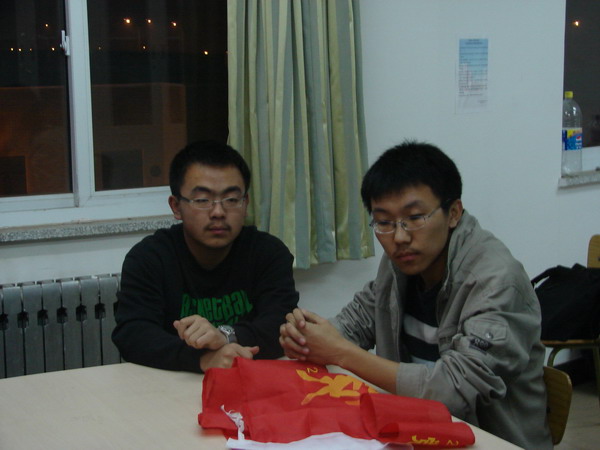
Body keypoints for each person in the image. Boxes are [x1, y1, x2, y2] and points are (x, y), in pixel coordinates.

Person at [280, 141, 552, 449]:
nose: (399, 237)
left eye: (415, 217)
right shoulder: (401, 263)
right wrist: (306, 336)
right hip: (417, 431)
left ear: (453, 213)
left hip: (488, 441)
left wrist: (340, 352)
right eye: (384, 222)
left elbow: (454, 390)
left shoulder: (496, 280)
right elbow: (356, 321)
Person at [113, 140, 299, 373]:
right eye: (202, 200)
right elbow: (133, 335)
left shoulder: (268, 253)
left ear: (245, 204)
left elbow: (281, 326)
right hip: (171, 381)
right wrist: (202, 359)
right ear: (176, 206)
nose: (218, 212)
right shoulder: (149, 258)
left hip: (250, 379)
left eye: (231, 200)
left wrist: (225, 337)